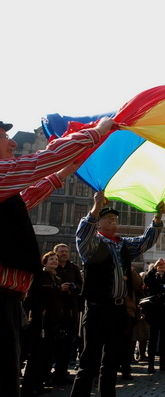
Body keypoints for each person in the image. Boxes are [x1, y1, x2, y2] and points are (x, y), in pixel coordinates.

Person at [0, 117, 115, 397]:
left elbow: (25, 198)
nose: (13, 143)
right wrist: (97, 131)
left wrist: (61, 174)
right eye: (4, 137)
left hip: (8, 301)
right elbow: (39, 162)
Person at [70, 191, 165, 397]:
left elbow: (144, 241)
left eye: (115, 217)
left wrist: (157, 218)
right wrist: (96, 207)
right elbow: (82, 233)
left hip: (118, 310)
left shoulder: (122, 243)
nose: (113, 219)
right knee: (89, 361)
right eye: (107, 217)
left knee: (111, 361)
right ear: (98, 224)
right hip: (97, 308)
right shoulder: (92, 243)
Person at [21, 251, 64, 397]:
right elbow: (29, 298)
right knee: (36, 355)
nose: (55, 261)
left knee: (45, 356)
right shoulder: (39, 277)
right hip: (39, 322)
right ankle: (28, 387)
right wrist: (40, 310)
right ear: (44, 262)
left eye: (56, 259)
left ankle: (39, 384)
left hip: (53, 322)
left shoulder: (57, 279)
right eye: (51, 259)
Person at [53, 243, 83, 384]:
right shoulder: (52, 267)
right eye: (61, 251)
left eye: (66, 251)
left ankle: (62, 371)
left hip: (71, 309)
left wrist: (74, 288)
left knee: (68, 342)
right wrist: (59, 288)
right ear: (56, 253)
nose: (64, 253)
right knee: (53, 342)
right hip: (55, 308)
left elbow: (81, 285)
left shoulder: (73, 268)